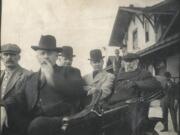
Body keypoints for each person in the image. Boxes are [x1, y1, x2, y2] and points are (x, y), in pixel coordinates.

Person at [3, 35, 86, 135]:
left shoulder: (70, 71)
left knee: (37, 124)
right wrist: (3, 105)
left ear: (56, 56)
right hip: (33, 119)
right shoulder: (31, 77)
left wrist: (52, 77)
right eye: (42, 53)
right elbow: (18, 97)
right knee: (9, 117)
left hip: (60, 120)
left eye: (50, 53)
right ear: (37, 57)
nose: (46, 56)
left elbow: (78, 91)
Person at [110, 53, 161, 135]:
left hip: (135, 107)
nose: (129, 64)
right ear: (123, 63)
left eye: (132, 62)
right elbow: (112, 91)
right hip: (116, 106)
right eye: (127, 62)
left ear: (137, 62)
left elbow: (155, 84)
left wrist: (136, 83)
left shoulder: (143, 73)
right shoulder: (118, 76)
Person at [0, 43, 31, 135]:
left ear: (19, 57)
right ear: (1, 57)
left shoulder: (27, 75)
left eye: (12, 55)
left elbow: (22, 100)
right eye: (6, 54)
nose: (9, 57)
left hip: (15, 122)